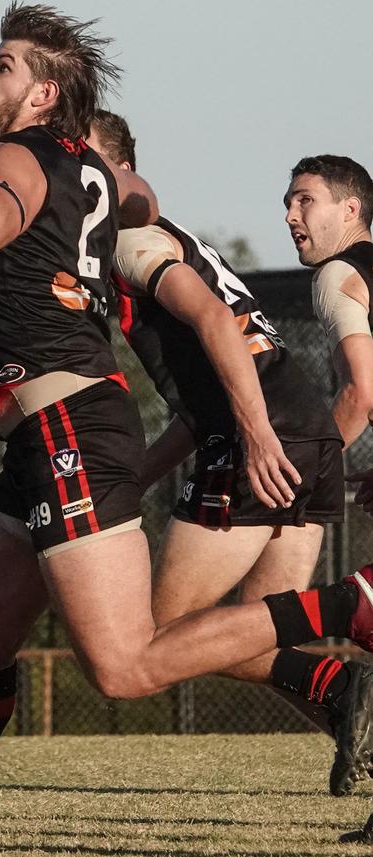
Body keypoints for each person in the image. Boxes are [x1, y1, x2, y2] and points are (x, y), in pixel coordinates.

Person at [0, 5, 373, 857]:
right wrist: (100, 183)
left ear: (43, 92)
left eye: (1, 65)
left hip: (67, 427)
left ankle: (356, 605)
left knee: (125, 666)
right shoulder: (88, 168)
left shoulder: (14, 154)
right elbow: (140, 195)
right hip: (47, 431)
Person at [87, 110, 372, 798]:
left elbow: (351, 386)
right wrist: (139, 476)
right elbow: (205, 392)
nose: (290, 214)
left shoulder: (130, 241)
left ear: (120, 172)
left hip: (265, 436)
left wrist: (263, 439)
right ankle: (351, 704)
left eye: (79, 159)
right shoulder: (174, 242)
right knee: (256, 624)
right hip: (292, 430)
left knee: (167, 631)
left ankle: (347, 664)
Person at [284, 155, 373, 515]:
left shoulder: (337, 273)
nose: (290, 215)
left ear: (350, 209)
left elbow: (361, 391)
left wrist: (303, 473)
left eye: (306, 200)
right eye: (288, 203)